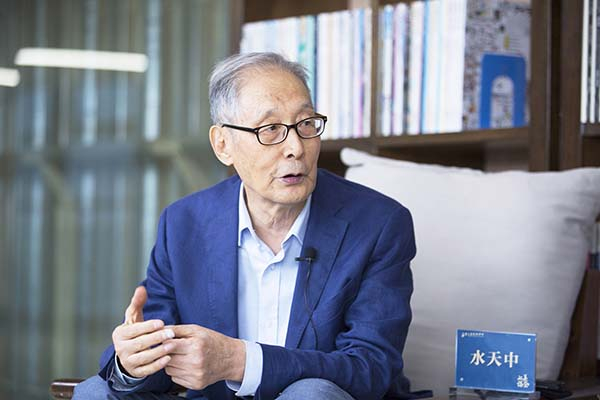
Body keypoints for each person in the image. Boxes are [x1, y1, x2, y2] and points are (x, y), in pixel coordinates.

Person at [74, 52, 416, 400]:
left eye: (306, 124)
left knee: (311, 394)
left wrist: (240, 362)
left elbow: (372, 366)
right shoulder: (183, 224)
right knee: (95, 391)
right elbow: (159, 354)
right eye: (270, 130)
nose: (296, 148)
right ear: (223, 145)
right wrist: (132, 363)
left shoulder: (378, 224)